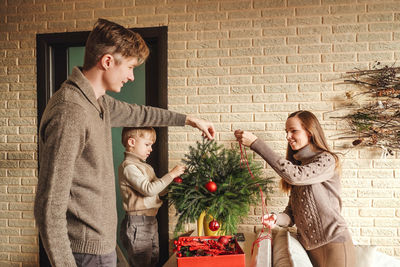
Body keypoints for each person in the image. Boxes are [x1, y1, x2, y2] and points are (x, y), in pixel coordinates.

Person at [34, 18, 215, 267]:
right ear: (107, 61)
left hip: (103, 247)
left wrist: (189, 120)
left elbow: (141, 113)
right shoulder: (70, 112)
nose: (131, 77)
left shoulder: (99, 103)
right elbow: (49, 206)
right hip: (85, 254)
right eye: (130, 67)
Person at [234, 110, 355, 267]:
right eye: (286, 131)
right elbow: (291, 215)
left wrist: (256, 143)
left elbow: (295, 176)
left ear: (310, 132)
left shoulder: (326, 160)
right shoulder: (300, 166)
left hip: (335, 243)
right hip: (312, 248)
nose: (288, 136)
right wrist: (276, 218)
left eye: (293, 131)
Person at [118, 127, 185, 267]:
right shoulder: (129, 167)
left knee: (153, 259)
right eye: (147, 144)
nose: (151, 149)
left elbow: (159, 191)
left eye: (151, 145)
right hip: (138, 222)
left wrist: (177, 183)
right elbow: (149, 190)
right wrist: (171, 174)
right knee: (142, 262)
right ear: (131, 142)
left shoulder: (146, 167)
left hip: (150, 220)